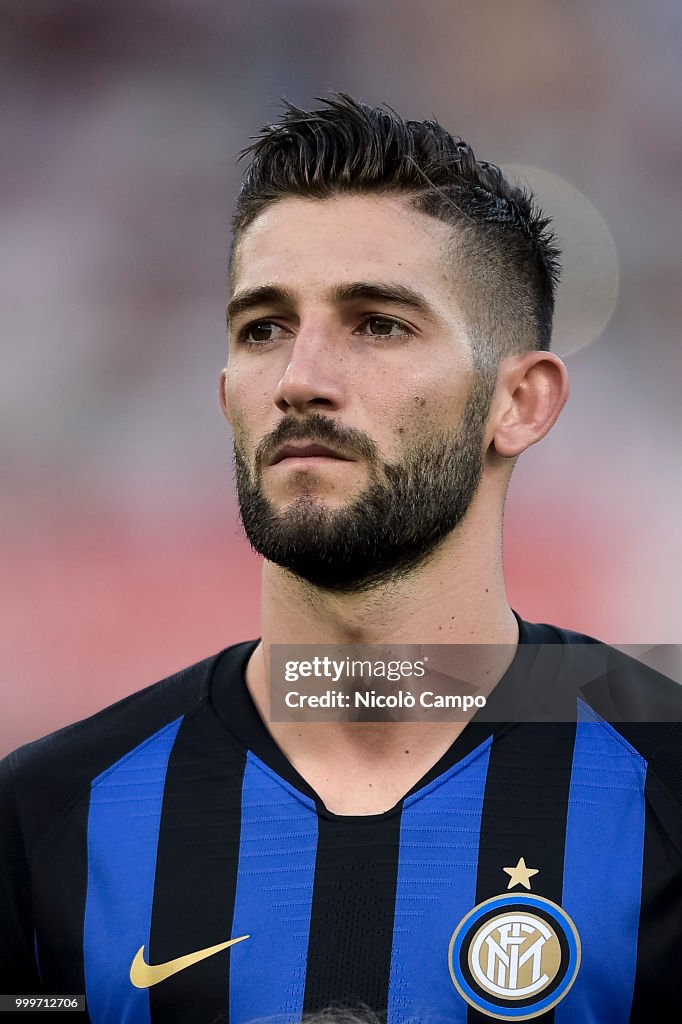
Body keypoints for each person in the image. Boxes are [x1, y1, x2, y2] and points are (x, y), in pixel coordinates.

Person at [1, 93, 681, 1023]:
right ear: (225, 391)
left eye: (378, 324)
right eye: (263, 329)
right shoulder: (48, 816)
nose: (299, 381)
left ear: (519, 402)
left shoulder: (662, 782)